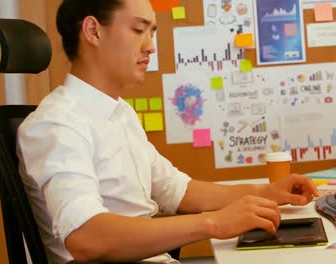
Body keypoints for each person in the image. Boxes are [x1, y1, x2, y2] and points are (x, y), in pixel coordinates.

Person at [16, 0, 319, 263]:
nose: (150, 45)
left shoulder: (119, 114)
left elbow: (178, 190)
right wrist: (213, 223)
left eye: (152, 32)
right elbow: (86, 237)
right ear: (94, 31)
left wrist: (266, 193)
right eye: (138, 30)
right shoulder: (57, 124)